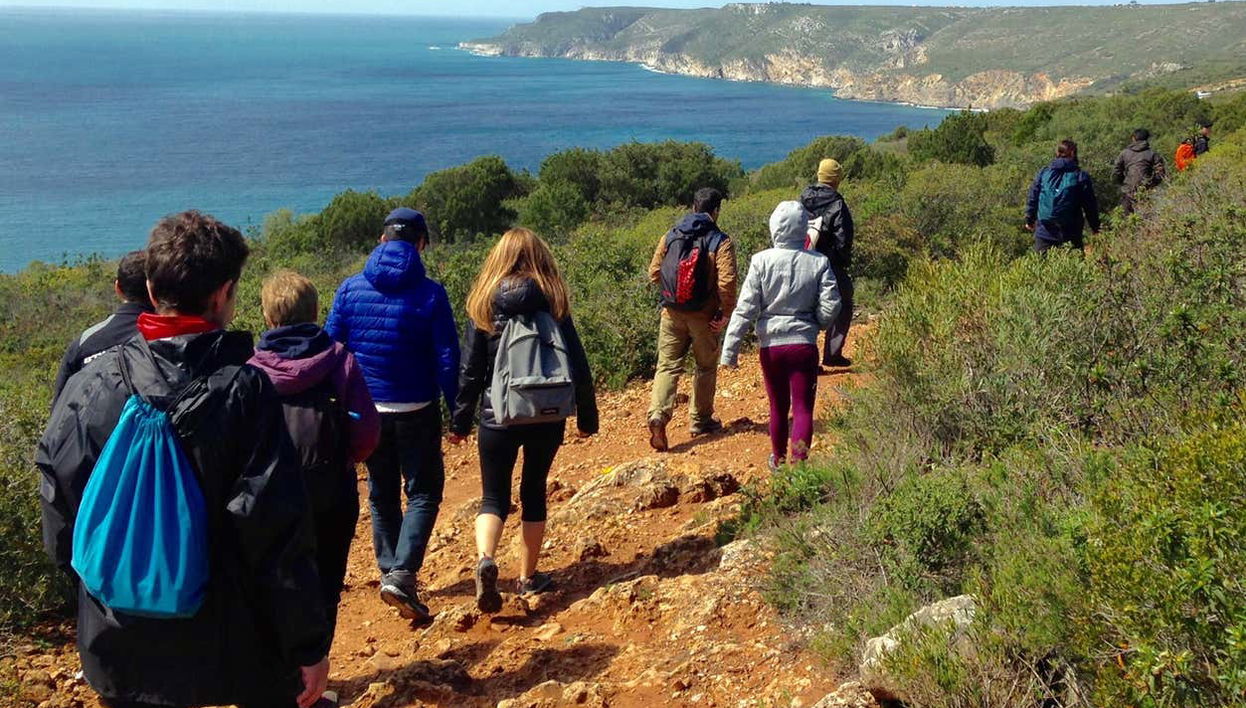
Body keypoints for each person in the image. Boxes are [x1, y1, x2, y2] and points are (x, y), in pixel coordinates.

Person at [38, 211, 330, 708]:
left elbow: (57, 501)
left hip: (117, 639)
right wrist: (306, 644)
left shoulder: (92, 384)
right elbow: (274, 530)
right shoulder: (245, 391)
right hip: (228, 643)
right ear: (225, 293)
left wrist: (97, 593)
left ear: (151, 291)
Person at [449, 227, 598, 613]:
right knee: (534, 490)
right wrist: (587, 417)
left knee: (493, 497)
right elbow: (578, 364)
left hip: (498, 414)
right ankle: (528, 578)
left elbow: (470, 371)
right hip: (547, 413)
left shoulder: (484, 305)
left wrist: (460, 423)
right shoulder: (555, 301)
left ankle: (486, 559)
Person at [324, 207, 459, 622]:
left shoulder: (350, 289)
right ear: (421, 244)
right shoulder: (431, 294)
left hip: (367, 410)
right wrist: (458, 411)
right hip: (416, 408)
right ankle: (401, 574)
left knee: (381, 492)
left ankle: (391, 572)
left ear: (382, 240)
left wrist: (334, 404)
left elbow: (332, 348)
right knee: (424, 491)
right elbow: (447, 358)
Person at [248, 270, 380, 659]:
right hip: (331, 492)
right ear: (316, 312)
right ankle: (315, 676)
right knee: (325, 585)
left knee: (273, 584)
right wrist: (343, 460)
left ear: (268, 316)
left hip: (270, 498)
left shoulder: (250, 370)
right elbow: (368, 432)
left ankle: (281, 675)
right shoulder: (340, 361)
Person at [720, 201, 840, 471]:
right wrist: (817, 323)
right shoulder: (819, 262)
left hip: (771, 347)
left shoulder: (760, 261)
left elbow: (745, 308)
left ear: (774, 227)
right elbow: (832, 304)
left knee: (777, 406)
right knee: (803, 409)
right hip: (803, 345)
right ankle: (800, 470)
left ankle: (778, 460)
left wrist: (730, 351)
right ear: (804, 228)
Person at [646, 187, 738, 451]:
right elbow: (727, 282)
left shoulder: (671, 234)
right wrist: (725, 312)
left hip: (671, 313)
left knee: (667, 366)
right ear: (716, 211)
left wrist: (675, 292)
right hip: (704, 316)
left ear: (693, 207)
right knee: (705, 367)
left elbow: (654, 273)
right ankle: (701, 420)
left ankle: (658, 415)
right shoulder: (720, 241)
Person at [52, 250, 154, 405]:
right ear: (155, 289)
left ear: (118, 289)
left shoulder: (84, 343)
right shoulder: (172, 338)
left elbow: (60, 408)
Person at [800, 158, 855, 369]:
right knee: (844, 302)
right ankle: (832, 353)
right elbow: (843, 240)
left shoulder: (803, 198)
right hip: (828, 264)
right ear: (837, 179)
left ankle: (808, 360)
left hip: (802, 261)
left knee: (806, 309)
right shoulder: (838, 204)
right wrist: (840, 262)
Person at [1024, 139, 1101, 252]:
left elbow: (1033, 198)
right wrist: (1095, 228)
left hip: (1044, 232)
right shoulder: (1080, 176)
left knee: (1041, 262)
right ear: (1073, 153)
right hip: (1071, 233)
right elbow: (1090, 205)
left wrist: (1029, 220)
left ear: (1057, 153)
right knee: (1074, 262)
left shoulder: (1044, 173)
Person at [1113, 128, 1166, 215]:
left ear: (1133, 138)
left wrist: (1123, 182)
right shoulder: (1152, 154)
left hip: (1128, 191)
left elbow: (1116, 170)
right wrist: (1151, 184)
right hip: (1146, 191)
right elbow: (1161, 173)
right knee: (1146, 217)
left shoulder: (1124, 153)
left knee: (1126, 218)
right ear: (1147, 139)